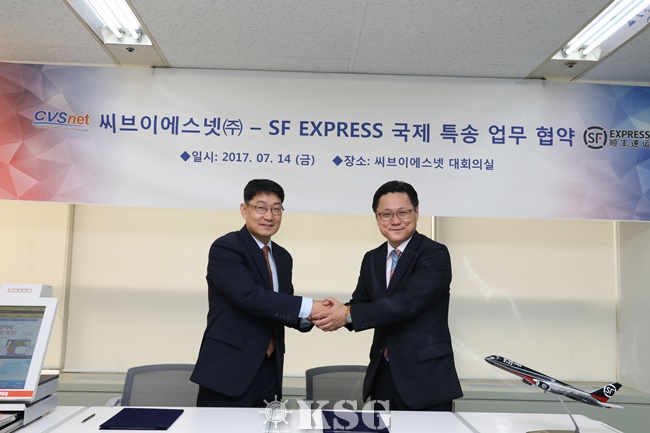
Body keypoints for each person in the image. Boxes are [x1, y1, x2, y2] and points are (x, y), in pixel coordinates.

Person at [310, 180, 463, 411]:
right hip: (383, 374)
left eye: (403, 212)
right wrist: (327, 312)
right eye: (386, 214)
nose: (395, 221)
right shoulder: (372, 258)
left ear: (416, 212)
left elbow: (408, 303)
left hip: (426, 378)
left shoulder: (435, 253)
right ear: (376, 217)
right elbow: (361, 303)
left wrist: (347, 314)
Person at [191, 179, 329, 407]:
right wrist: (309, 306)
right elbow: (250, 297)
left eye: (276, 209)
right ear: (244, 210)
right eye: (261, 208)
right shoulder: (226, 247)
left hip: (269, 371)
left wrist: (313, 316)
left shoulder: (283, 257)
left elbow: (280, 305)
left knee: (268, 425)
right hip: (227, 370)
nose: (269, 216)